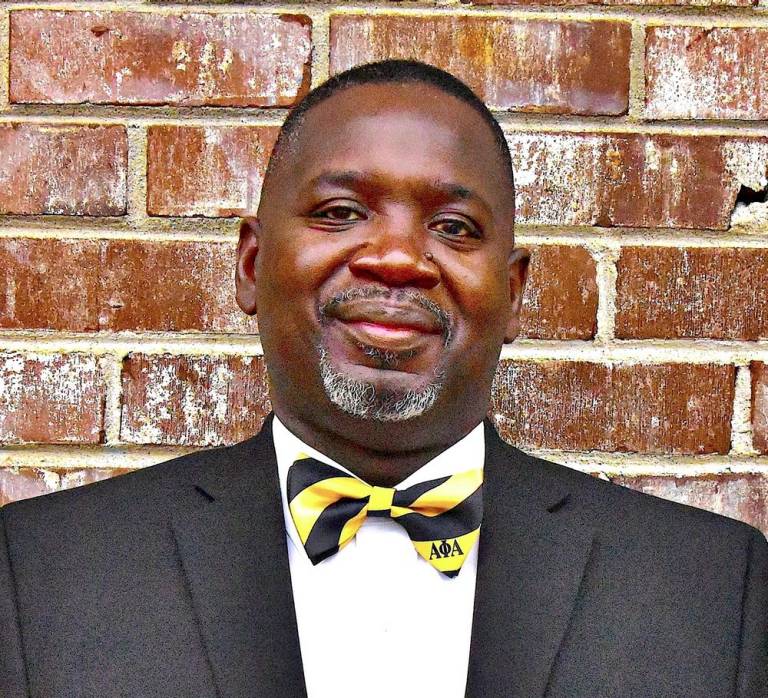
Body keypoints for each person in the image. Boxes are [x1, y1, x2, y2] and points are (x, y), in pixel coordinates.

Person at [0, 59, 765, 698]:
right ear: (251, 265)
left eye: (455, 228)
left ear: (515, 294)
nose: (398, 259)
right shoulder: (43, 576)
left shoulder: (710, 590)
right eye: (339, 212)